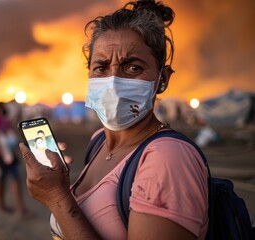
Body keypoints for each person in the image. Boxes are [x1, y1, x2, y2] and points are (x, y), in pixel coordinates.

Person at [19, 1, 209, 239]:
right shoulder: (98, 141)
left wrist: (57, 198)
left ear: (163, 80)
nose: (113, 82)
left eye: (132, 68)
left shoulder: (168, 158)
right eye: (101, 67)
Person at [0, 102, 28, 216]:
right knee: (3, 180)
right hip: (1, 155)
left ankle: (19, 207)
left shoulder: (5, 120)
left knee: (14, 179)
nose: (2, 110)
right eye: (0, 109)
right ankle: (3, 205)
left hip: (9, 155)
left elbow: (11, 137)